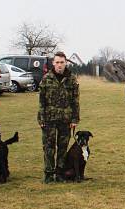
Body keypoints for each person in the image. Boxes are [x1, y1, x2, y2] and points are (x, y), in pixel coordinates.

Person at [38, 51, 79, 183]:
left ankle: (60, 173)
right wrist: (41, 118)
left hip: (65, 119)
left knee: (63, 147)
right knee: (49, 147)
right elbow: (41, 101)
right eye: (57, 62)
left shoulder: (72, 79)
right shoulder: (46, 78)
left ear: (65, 63)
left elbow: (75, 100)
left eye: (62, 62)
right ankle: (49, 174)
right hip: (49, 118)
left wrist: (74, 119)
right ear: (53, 63)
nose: (59, 65)